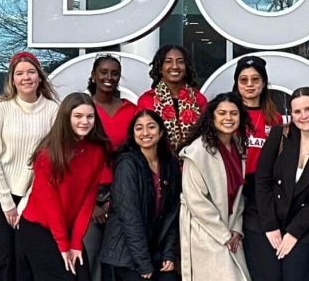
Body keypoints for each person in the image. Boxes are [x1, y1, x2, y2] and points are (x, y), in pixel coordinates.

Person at [0, 51, 59, 281]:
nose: (26, 77)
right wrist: (7, 203)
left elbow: (49, 162)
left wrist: (25, 203)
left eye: (31, 72)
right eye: (19, 73)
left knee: (25, 258)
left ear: (40, 77)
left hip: (32, 194)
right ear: (12, 79)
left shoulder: (53, 111)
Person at [18, 92, 112, 281]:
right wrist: (63, 246)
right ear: (66, 118)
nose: (84, 121)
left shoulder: (96, 151)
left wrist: (76, 243)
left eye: (89, 116)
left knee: (82, 274)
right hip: (39, 228)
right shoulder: (48, 155)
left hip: (69, 227)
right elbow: (50, 206)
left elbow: (87, 200)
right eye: (78, 116)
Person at [255, 87, 309, 280]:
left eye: (308, 109)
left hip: (303, 223)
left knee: (293, 276)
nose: (304, 116)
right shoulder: (280, 135)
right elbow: (262, 180)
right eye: (297, 111)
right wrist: (270, 226)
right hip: (267, 219)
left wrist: (294, 232)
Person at [100, 110, 181, 281]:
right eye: (139, 128)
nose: (145, 133)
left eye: (151, 127)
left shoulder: (170, 164)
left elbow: (172, 213)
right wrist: (143, 263)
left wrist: (169, 254)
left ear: (161, 132)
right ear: (133, 134)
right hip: (126, 254)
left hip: (155, 250)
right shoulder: (127, 165)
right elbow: (130, 219)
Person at [178, 93, 251, 281]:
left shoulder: (238, 147)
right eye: (222, 113)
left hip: (231, 230)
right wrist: (223, 234)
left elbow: (239, 195)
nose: (228, 118)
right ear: (212, 117)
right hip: (206, 231)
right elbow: (196, 201)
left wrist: (236, 228)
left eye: (234, 113)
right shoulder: (197, 152)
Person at [231, 55, 289, 279]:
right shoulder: (228, 115)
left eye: (255, 79)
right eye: (243, 80)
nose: (249, 85)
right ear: (237, 83)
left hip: (263, 195)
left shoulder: (274, 118)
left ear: (264, 83)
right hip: (233, 192)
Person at [87, 54, 139, 281]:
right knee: (89, 258)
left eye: (114, 73)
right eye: (104, 72)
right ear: (93, 75)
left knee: (119, 261)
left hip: (121, 192)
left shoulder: (131, 111)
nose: (109, 77)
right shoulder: (83, 108)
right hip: (88, 193)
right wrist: (92, 206)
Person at [137, 45, 208, 151]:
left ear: (186, 67)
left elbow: (207, 133)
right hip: (160, 163)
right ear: (160, 68)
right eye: (168, 61)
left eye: (180, 61)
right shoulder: (146, 100)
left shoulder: (199, 99)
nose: (175, 66)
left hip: (193, 162)